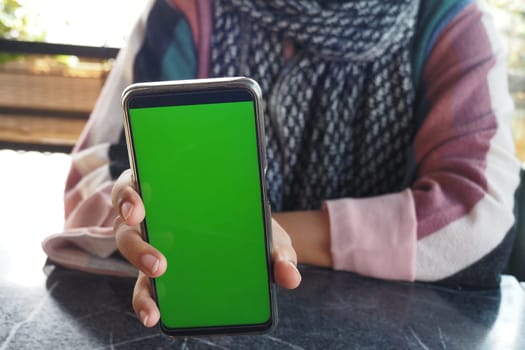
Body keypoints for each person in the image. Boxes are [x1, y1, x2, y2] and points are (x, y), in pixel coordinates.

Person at [42, 0, 521, 329]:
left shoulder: (448, 19)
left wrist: (254, 234)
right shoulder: (187, 12)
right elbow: (93, 181)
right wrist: (137, 217)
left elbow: (477, 216)